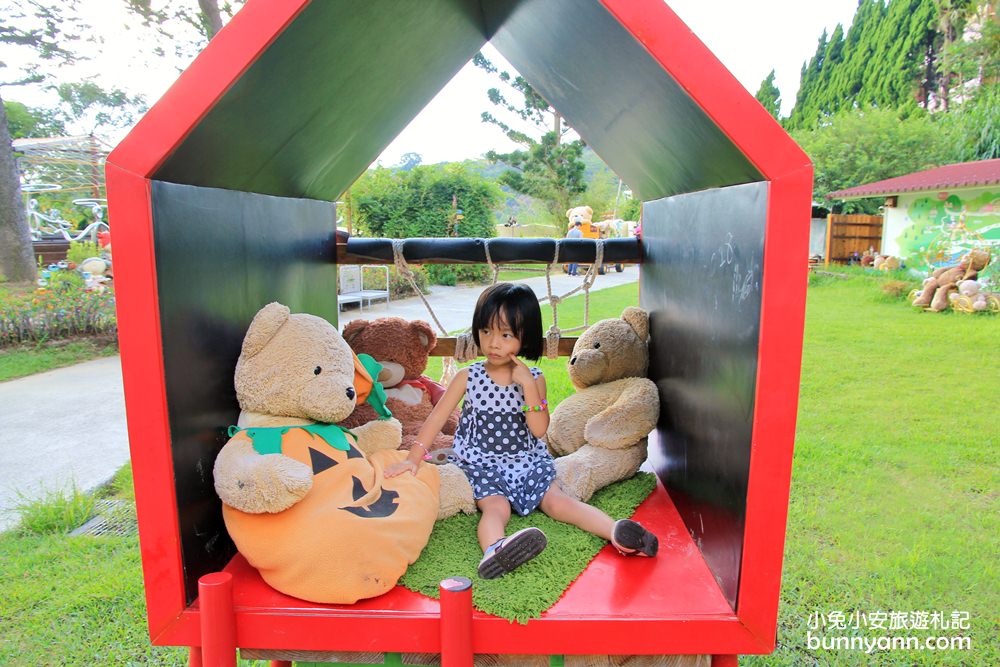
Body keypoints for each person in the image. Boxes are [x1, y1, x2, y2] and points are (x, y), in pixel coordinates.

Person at [386, 283, 658, 579]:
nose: (493, 343)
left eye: (505, 334)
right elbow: (437, 417)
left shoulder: (535, 379)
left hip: (525, 460)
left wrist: (527, 385)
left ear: (524, 336)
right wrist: (413, 458)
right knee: (495, 508)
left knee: (559, 502)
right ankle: (495, 550)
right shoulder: (469, 376)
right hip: (482, 463)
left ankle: (616, 532)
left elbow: (539, 429)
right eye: (486, 331)